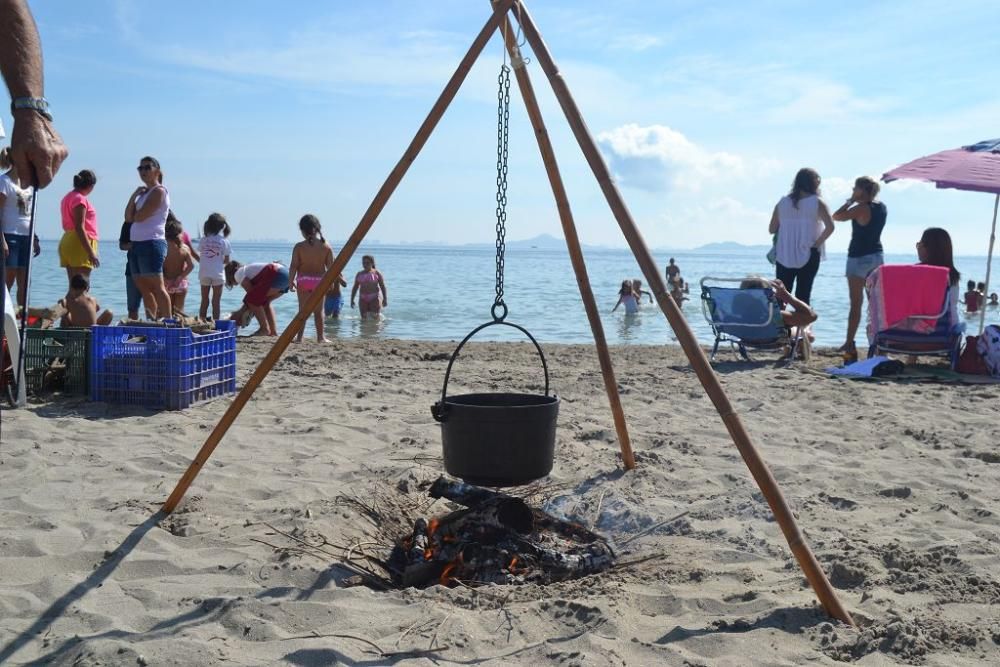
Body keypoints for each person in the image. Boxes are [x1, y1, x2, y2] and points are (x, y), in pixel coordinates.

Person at [0, 0, 70, 323]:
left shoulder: (15, 182)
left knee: (18, 282)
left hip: (20, 236)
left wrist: (30, 109)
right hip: (10, 235)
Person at [832, 175, 887, 362]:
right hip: (877, 257)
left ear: (862, 190)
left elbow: (836, 216)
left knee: (856, 304)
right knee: (877, 304)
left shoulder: (860, 208)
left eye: (855, 188)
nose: (852, 191)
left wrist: (849, 201)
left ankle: (849, 341)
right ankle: (880, 342)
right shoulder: (881, 208)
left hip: (858, 257)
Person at [768, 167, 834, 305]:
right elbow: (830, 227)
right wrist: (817, 243)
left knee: (781, 296)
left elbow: (772, 229)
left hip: (784, 253)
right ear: (814, 183)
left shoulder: (782, 203)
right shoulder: (817, 202)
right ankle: (802, 326)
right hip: (809, 252)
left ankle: (779, 326)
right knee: (803, 295)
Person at [124, 156, 171, 319]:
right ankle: (153, 319)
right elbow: (128, 217)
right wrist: (134, 195)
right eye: (140, 168)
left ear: (156, 171)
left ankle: (168, 322)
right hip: (137, 244)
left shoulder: (159, 191)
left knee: (157, 286)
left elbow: (140, 216)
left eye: (147, 167)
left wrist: (135, 214)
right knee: (143, 287)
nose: (143, 171)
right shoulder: (144, 193)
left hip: (152, 242)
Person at [0, 145, 38, 309]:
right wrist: (2, 241)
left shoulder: (28, 184)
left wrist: (34, 238)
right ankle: (4, 319)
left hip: (26, 237)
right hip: (9, 235)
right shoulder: (4, 182)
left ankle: (23, 320)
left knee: (25, 281)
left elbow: (29, 214)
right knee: (8, 279)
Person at [288, 214, 334, 343]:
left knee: (303, 311)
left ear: (302, 230)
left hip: (303, 281)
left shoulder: (299, 247)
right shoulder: (326, 247)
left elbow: (294, 266)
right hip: (319, 282)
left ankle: (299, 337)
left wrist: (290, 281)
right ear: (318, 228)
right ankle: (321, 337)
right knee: (319, 311)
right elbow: (331, 268)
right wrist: (331, 283)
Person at [226, 260, 290, 336]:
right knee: (266, 303)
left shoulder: (238, 273)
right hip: (287, 276)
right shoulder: (249, 270)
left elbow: (252, 297)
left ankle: (264, 329)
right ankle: (273, 332)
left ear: (229, 274)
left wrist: (239, 314)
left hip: (276, 274)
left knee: (252, 300)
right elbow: (257, 299)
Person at [58, 169, 100, 286]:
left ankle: (70, 304)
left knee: (73, 286)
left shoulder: (67, 197)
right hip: (80, 242)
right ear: (91, 186)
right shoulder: (80, 199)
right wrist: (91, 252)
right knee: (82, 286)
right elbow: (79, 226)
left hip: (68, 239)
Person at [916, 227, 961, 326]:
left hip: (914, 333)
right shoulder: (953, 275)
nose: (918, 248)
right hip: (947, 333)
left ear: (928, 248)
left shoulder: (914, 272)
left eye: (919, 244)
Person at [197, 212, 231, 320]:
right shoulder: (224, 241)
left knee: (204, 300)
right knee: (216, 301)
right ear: (222, 226)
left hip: (204, 272)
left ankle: (201, 322)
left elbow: (202, 254)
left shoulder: (203, 240)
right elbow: (226, 260)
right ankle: (216, 324)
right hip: (218, 273)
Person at [163, 218, 194, 315]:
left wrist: (163, 277)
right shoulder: (184, 248)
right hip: (180, 283)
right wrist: (180, 277)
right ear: (180, 233)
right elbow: (191, 266)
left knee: (168, 312)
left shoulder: (163, 248)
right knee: (179, 312)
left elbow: (158, 265)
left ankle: (167, 329)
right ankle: (179, 328)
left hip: (166, 282)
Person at [350, 254, 387, 320]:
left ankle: (375, 329)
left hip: (374, 297)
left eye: (367, 263)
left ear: (372, 263)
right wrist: (352, 300)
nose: (365, 265)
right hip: (363, 298)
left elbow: (383, 286)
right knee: (363, 319)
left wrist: (385, 299)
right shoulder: (359, 274)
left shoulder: (376, 273)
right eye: (363, 263)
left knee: (375, 318)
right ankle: (364, 329)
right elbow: (355, 287)